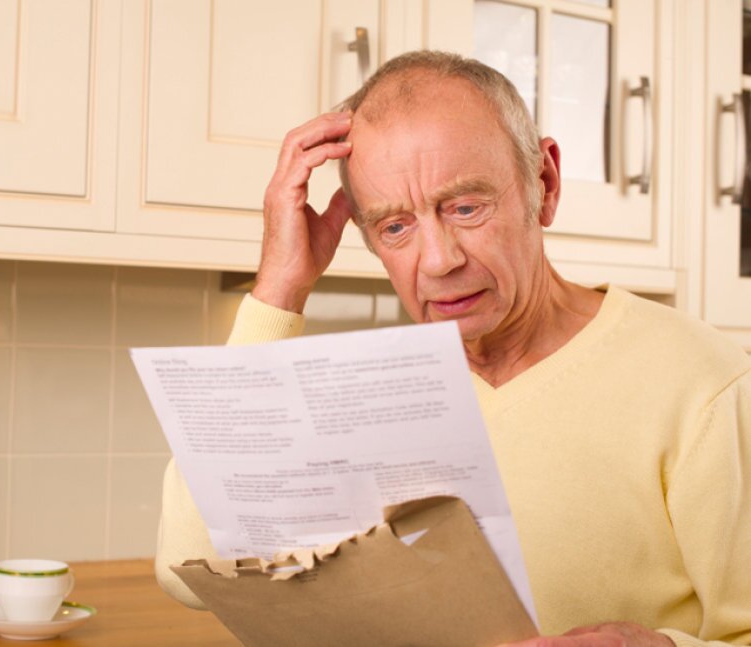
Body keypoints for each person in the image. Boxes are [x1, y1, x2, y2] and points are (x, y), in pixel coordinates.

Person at [155, 51, 751, 646]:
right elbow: (190, 569)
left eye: (466, 207)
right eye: (395, 227)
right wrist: (279, 288)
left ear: (543, 184)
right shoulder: (366, 397)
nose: (440, 260)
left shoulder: (705, 385)